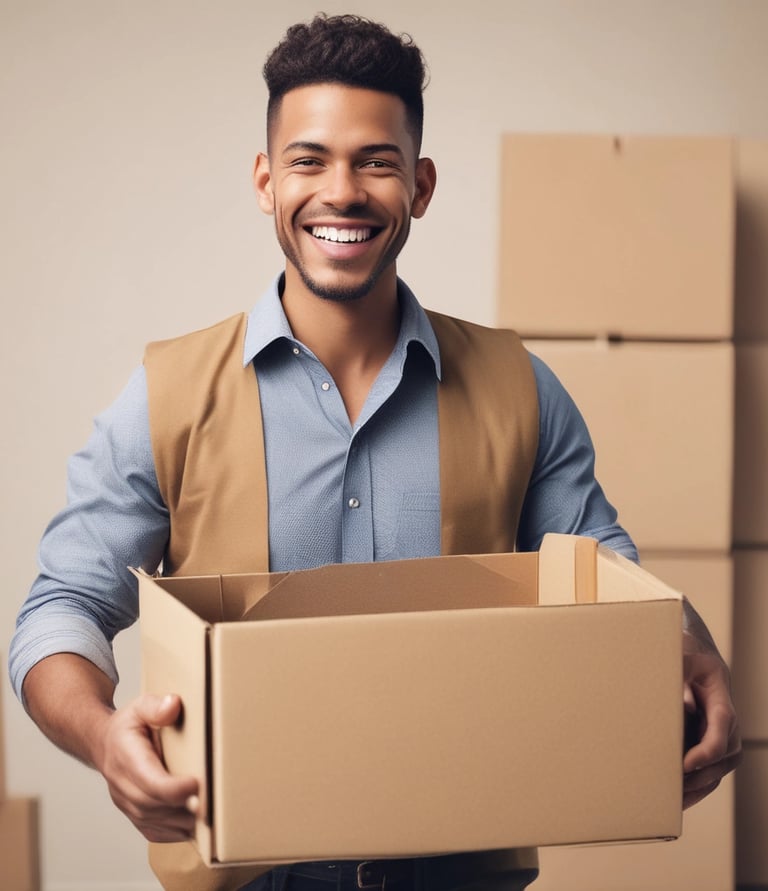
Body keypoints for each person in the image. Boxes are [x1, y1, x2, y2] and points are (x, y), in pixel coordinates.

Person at [9, 13, 741, 891]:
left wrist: (688, 648)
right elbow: (62, 607)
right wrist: (104, 739)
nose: (342, 191)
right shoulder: (166, 394)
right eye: (308, 160)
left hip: (463, 870)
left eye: (376, 162)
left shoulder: (521, 387)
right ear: (266, 181)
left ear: (420, 186)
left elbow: (607, 574)